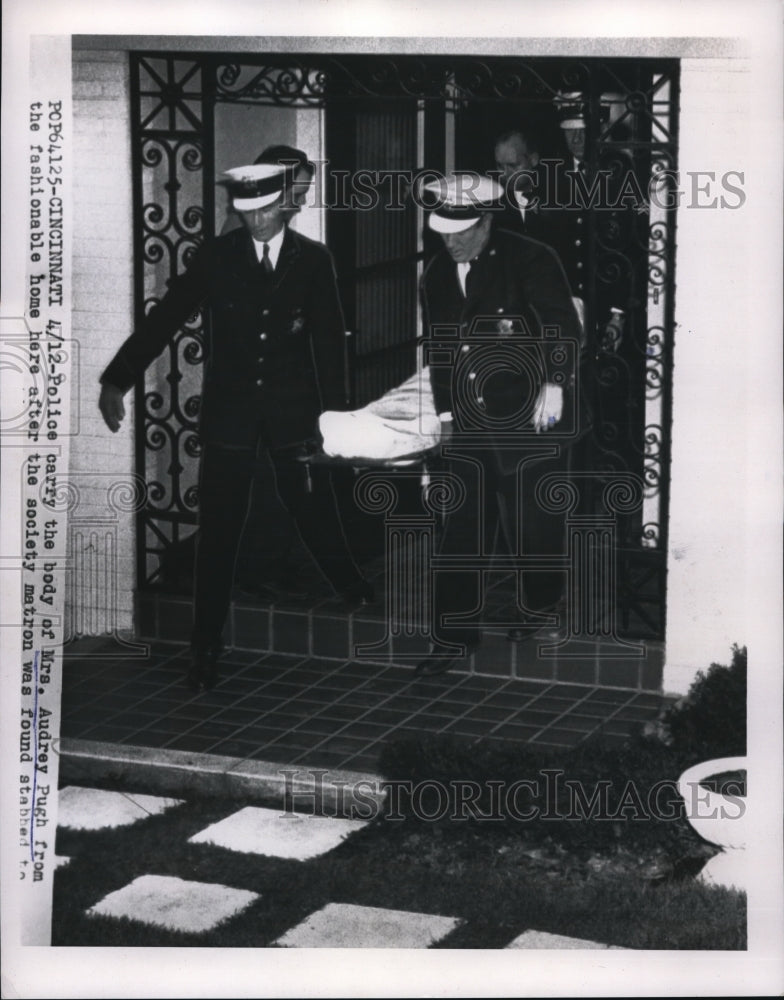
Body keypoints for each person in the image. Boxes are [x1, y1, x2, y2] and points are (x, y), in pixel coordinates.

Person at [99, 159, 372, 691]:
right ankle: (204, 650)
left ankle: (351, 585)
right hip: (230, 415)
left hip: (294, 411)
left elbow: (328, 343)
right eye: (248, 213)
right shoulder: (217, 258)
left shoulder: (313, 261)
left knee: (308, 499)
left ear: (285, 205)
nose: (257, 223)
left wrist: (336, 417)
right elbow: (166, 316)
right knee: (218, 530)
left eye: (267, 211)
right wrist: (118, 378)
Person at [415, 173, 584, 677]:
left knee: (533, 521)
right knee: (461, 526)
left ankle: (538, 602)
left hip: (530, 409)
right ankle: (452, 635)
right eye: (442, 230)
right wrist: (445, 416)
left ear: (486, 220)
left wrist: (554, 382)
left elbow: (562, 325)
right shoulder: (436, 276)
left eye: (460, 231)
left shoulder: (530, 258)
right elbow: (442, 349)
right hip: (468, 416)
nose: (450, 240)